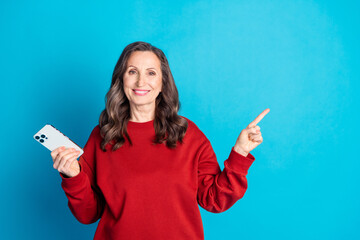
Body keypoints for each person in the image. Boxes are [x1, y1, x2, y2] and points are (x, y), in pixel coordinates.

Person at [50, 41, 270, 240]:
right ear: (121, 79)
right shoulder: (102, 135)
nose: (141, 81)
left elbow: (214, 199)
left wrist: (240, 153)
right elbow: (88, 214)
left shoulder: (188, 134)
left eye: (151, 73)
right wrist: (73, 176)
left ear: (163, 82)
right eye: (132, 71)